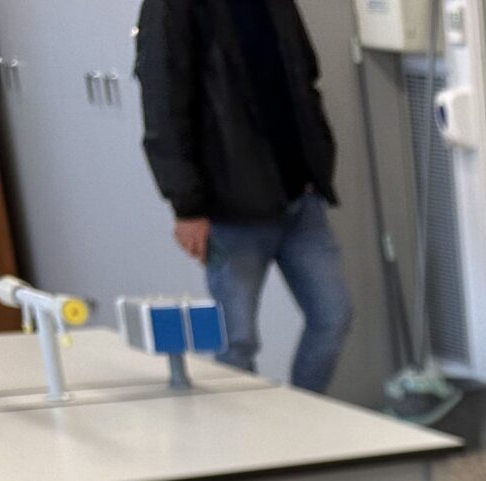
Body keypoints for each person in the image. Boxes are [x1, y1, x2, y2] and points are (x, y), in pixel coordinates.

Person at [136, 0, 352, 394]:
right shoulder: (171, 8)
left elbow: (303, 74)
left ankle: (304, 414)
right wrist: (187, 208)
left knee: (333, 316)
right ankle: (243, 428)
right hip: (230, 210)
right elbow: (164, 107)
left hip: (300, 199)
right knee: (237, 342)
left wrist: (317, 162)